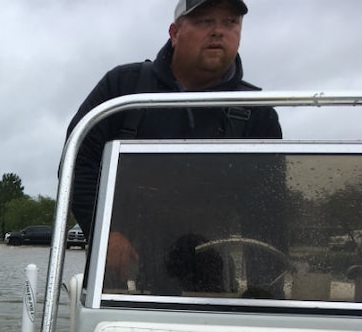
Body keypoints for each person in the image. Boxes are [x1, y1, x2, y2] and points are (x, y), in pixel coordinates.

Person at [67, 0, 282, 250]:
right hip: (120, 271)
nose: (218, 31)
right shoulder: (122, 88)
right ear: (174, 33)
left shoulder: (258, 111)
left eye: (230, 22)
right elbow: (78, 164)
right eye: (204, 21)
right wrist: (105, 234)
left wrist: (264, 285)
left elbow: (269, 209)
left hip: (216, 275)